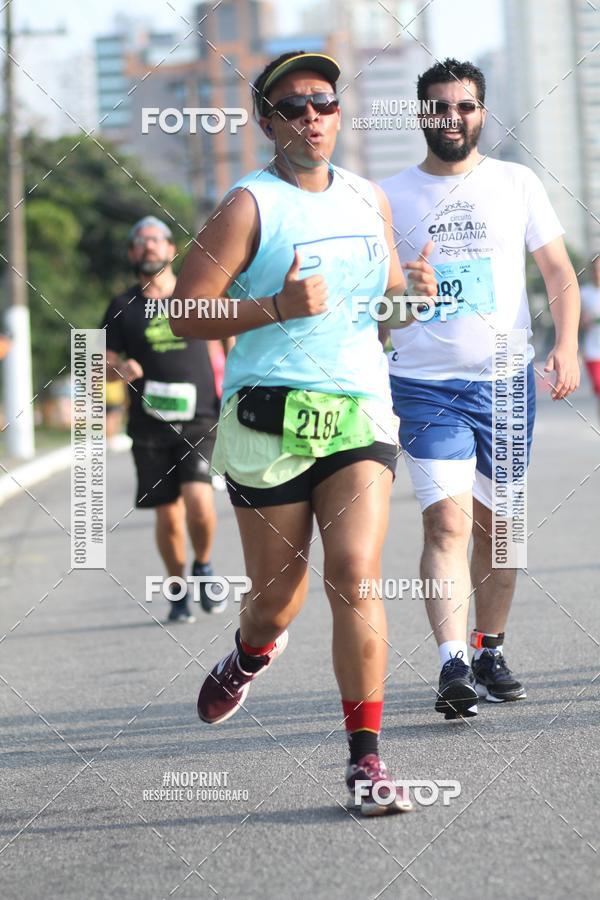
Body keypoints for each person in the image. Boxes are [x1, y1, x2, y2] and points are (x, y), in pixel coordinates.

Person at [171, 51, 436, 815]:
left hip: (357, 409)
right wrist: (276, 308)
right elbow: (184, 312)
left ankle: (367, 762)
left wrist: (413, 298)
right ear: (267, 124)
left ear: (339, 114)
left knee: (354, 574)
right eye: (292, 107)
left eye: (323, 101)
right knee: (276, 602)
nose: (311, 117)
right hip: (267, 418)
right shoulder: (248, 206)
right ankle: (250, 651)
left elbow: (384, 307)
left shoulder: (367, 198)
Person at [380, 58, 580, 717]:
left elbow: (558, 271)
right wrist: (403, 296)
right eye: (439, 107)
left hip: (506, 380)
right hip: (425, 383)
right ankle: (452, 664)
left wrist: (566, 344)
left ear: (482, 114)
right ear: (421, 114)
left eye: (465, 106)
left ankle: (489, 647)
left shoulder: (516, 182)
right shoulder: (387, 196)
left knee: (503, 529)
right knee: (446, 521)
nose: (453, 117)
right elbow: (374, 309)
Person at [102, 216, 226, 623]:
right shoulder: (121, 306)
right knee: (168, 515)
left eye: (156, 240)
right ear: (131, 253)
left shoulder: (195, 296)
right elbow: (97, 363)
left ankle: (203, 565)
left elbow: (229, 335)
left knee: (199, 500)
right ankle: (177, 590)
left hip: (200, 417)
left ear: (172, 250)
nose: (149, 246)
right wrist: (119, 370)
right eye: (141, 241)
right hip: (150, 426)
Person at [580, 254, 600, 421]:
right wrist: (584, 320)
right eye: (595, 269)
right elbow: (576, 323)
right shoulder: (584, 293)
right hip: (593, 352)